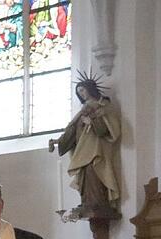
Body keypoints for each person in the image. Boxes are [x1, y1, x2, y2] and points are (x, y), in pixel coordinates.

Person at [48, 73, 121, 219]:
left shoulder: (103, 106)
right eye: (78, 92)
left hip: (96, 149)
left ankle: (98, 203)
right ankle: (87, 202)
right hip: (83, 149)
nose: (81, 93)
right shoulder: (82, 110)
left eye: (82, 90)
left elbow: (108, 130)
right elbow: (72, 130)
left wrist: (92, 122)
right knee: (85, 175)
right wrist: (58, 141)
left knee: (95, 171)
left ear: (90, 89)